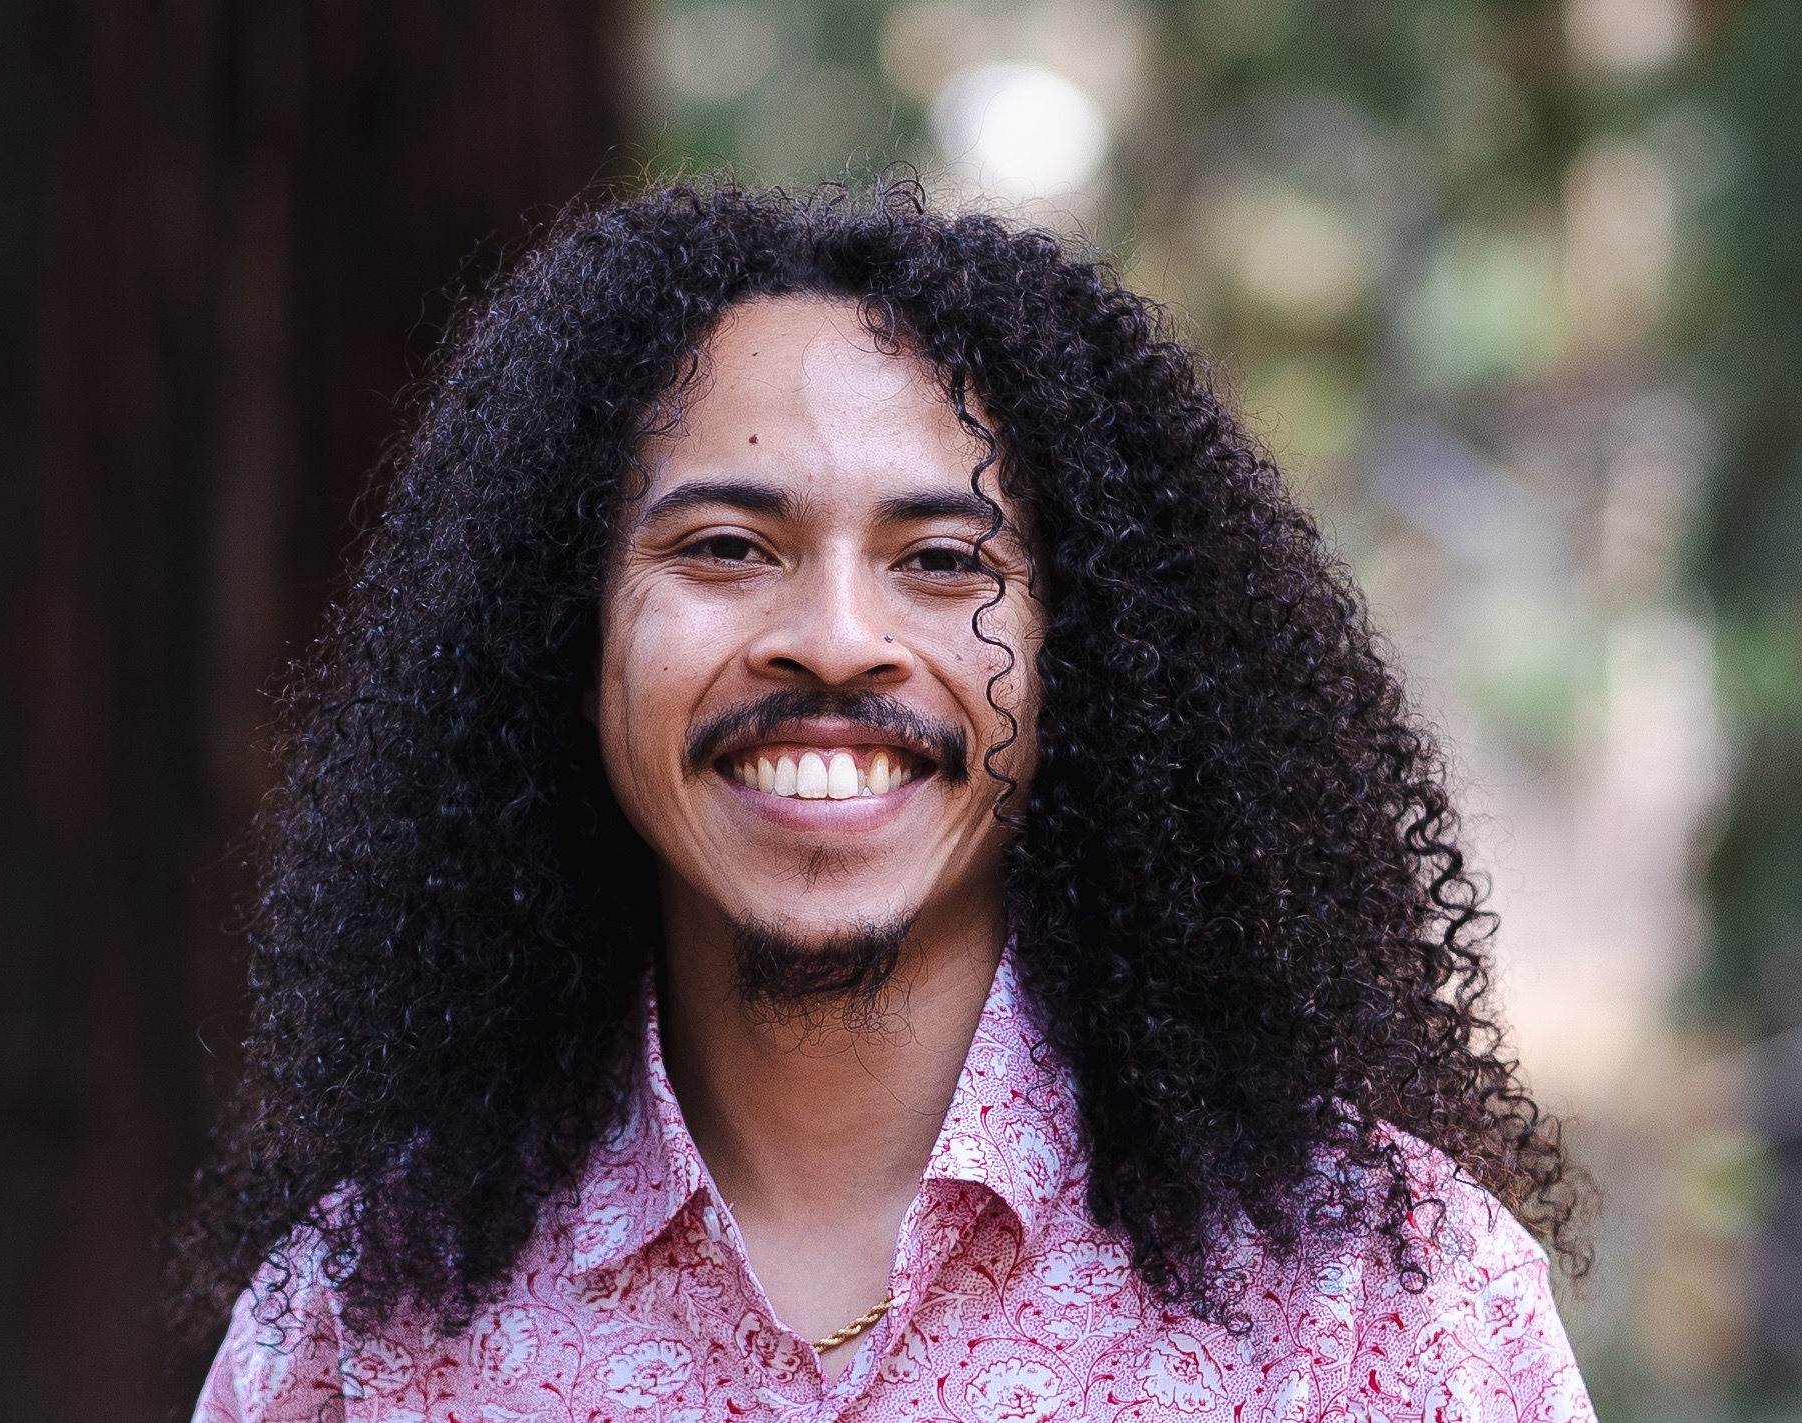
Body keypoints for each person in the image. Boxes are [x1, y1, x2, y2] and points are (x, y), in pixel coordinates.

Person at [172, 181, 1595, 1422]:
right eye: (728, 546)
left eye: (941, 561)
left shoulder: (1376, 1307)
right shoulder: (355, 1334)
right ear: (568, 634)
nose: (838, 637)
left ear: (1076, 661)